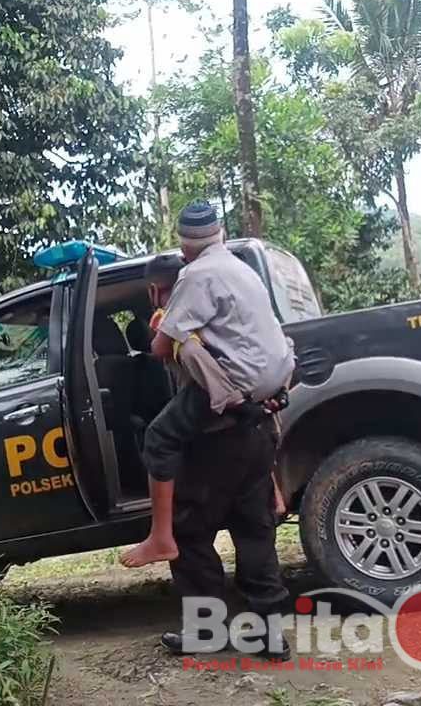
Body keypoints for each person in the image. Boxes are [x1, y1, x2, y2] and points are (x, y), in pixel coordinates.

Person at [121, 201, 294, 569]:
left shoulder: (197, 276)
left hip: (233, 396)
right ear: (221, 236)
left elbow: (161, 347)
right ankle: (268, 628)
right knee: (255, 529)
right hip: (265, 394)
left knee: (158, 438)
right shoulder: (241, 269)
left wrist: (161, 333)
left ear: (185, 248)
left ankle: (160, 536)